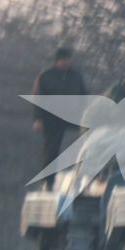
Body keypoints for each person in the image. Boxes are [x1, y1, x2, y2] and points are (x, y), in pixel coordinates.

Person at [30, 45, 88, 174]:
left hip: (73, 114)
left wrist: (87, 112)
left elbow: (83, 95)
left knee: (91, 133)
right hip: (52, 117)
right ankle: (48, 179)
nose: (67, 62)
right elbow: (37, 98)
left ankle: (86, 168)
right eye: (64, 59)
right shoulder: (46, 76)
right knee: (51, 149)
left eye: (69, 59)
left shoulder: (76, 76)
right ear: (58, 60)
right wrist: (38, 119)